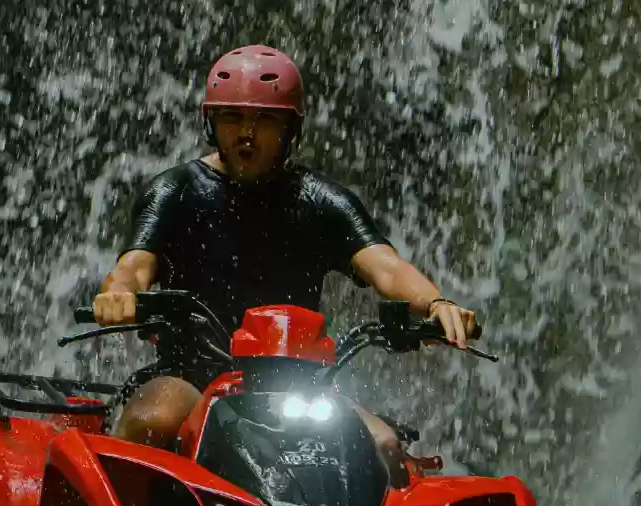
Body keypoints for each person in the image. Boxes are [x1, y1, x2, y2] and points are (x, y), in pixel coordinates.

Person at [93, 45, 479, 467]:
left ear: (291, 130)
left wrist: (437, 303)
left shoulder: (319, 200)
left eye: (265, 121)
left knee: (384, 447)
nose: (246, 134)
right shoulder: (175, 191)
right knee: (155, 418)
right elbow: (133, 266)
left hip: (299, 389)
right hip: (191, 377)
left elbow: (385, 265)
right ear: (211, 124)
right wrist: (119, 295)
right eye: (233, 118)